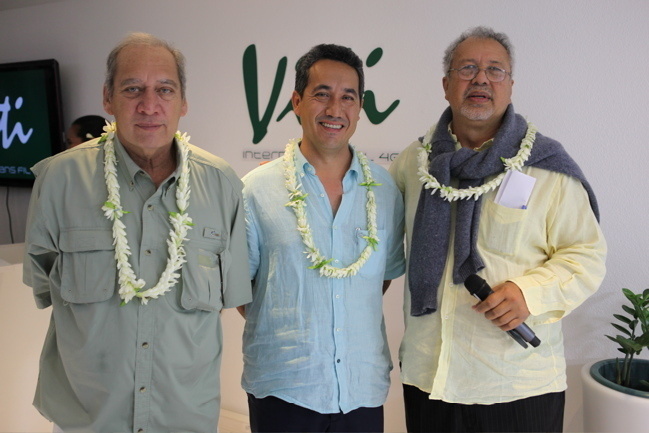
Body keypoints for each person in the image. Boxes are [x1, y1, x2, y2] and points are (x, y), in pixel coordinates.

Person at [23, 32, 251, 432]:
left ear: (183, 101)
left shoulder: (221, 184)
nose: (150, 105)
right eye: (133, 89)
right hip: (87, 420)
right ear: (107, 98)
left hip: (184, 419)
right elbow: (44, 282)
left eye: (165, 89)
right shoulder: (58, 180)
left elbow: (230, 294)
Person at [389, 26, 607, 433]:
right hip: (429, 374)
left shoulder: (547, 167)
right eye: (467, 68)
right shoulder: (412, 165)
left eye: (495, 70)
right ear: (446, 84)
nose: (481, 79)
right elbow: (373, 233)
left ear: (510, 85)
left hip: (515, 383)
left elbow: (587, 255)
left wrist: (529, 292)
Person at [239, 44, 406, 433]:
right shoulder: (257, 189)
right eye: (322, 94)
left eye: (347, 97)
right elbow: (244, 291)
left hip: (361, 388)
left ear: (360, 106)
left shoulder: (384, 190)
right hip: (283, 388)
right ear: (297, 101)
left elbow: (379, 278)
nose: (335, 109)